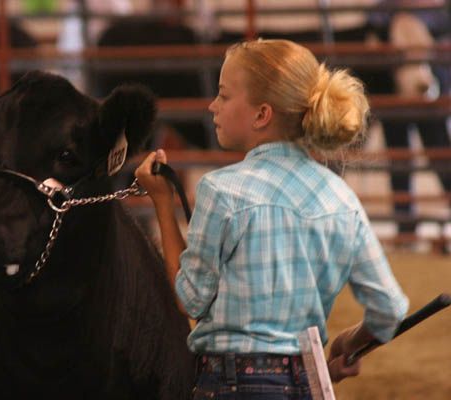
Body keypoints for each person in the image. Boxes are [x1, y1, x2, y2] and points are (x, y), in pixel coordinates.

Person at [135, 39, 409, 398]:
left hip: (230, 383)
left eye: (224, 95)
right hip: (306, 383)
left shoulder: (222, 191)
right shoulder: (342, 199)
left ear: (262, 114)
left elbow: (190, 299)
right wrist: (349, 342)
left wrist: (162, 204)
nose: (212, 105)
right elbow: (389, 310)